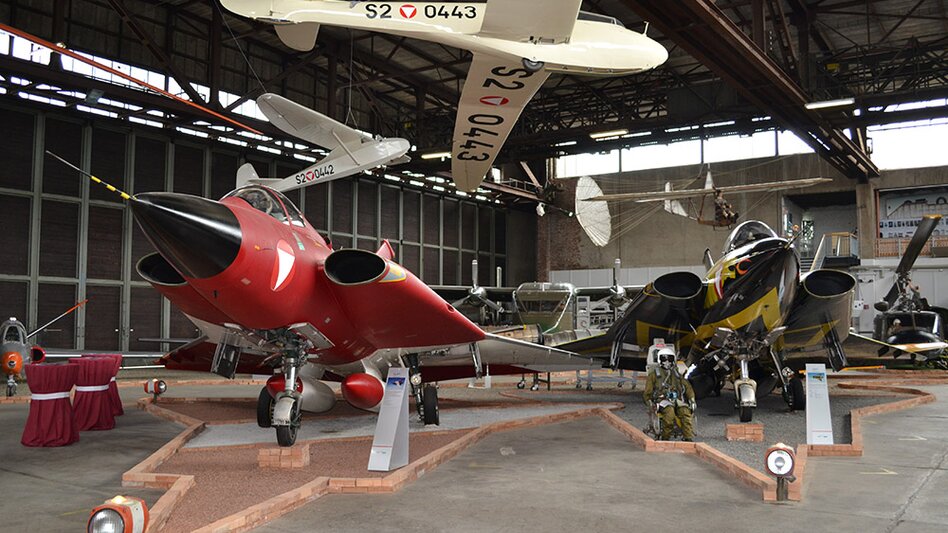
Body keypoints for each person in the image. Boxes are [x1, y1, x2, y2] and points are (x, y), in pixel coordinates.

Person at [644, 347, 696, 441]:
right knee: (670, 413)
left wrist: (692, 400)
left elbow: (687, 387)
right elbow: (647, 392)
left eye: (670, 359)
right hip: (662, 400)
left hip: (676, 400)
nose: (667, 361)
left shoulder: (676, 374)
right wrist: (650, 403)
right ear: (660, 360)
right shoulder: (654, 375)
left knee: (685, 411)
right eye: (664, 359)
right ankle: (665, 437)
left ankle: (688, 437)